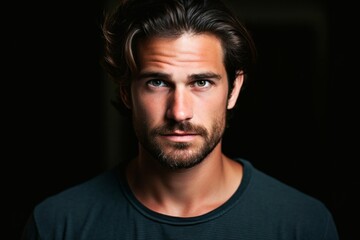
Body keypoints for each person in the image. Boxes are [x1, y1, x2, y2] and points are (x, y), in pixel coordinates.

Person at [21, 0, 339, 239]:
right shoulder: (58, 224)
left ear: (234, 88)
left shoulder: (303, 224)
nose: (179, 112)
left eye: (201, 82)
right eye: (157, 83)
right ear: (126, 92)